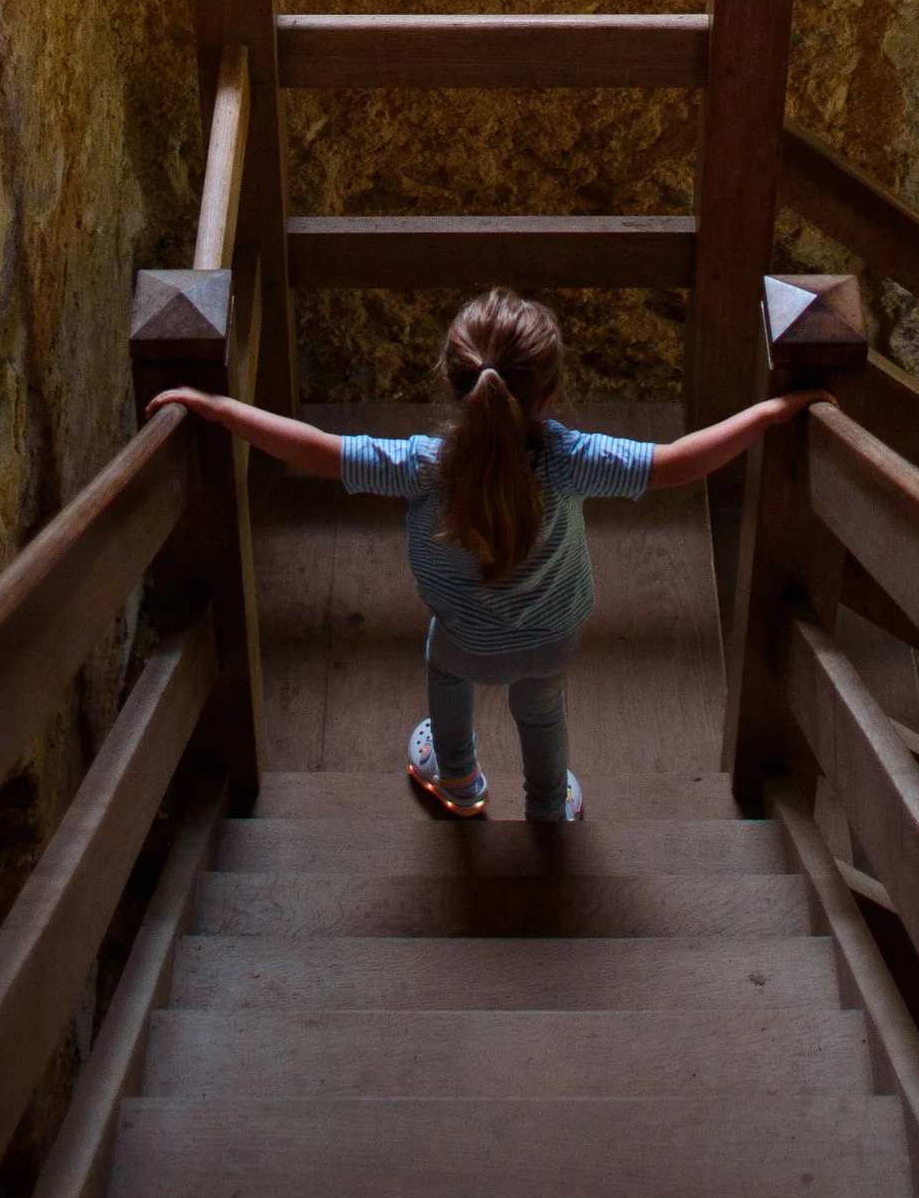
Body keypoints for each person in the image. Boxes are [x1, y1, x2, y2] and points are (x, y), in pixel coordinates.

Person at [147, 288, 815, 822]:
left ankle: (459, 780)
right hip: (554, 635)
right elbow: (676, 464)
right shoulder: (574, 462)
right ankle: (549, 807)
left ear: (451, 381)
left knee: (447, 678)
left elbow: (314, 447)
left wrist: (218, 407)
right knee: (542, 710)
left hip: (464, 633)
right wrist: (766, 414)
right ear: (549, 394)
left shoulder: (421, 467)